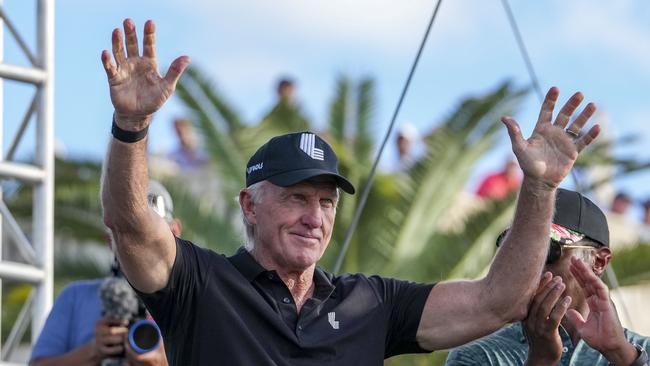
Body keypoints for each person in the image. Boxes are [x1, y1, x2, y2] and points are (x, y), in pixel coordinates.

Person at [100, 19, 600, 365]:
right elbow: (130, 225)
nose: (314, 216)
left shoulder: (370, 303)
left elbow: (497, 301)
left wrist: (539, 186)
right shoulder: (201, 283)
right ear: (249, 205)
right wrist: (131, 126)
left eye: (326, 201)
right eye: (296, 197)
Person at [445, 189, 650, 366]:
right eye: (518, 254)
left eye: (547, 251)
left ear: (599, 262)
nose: (529, 269)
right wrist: (541, 360)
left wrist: (623, 356)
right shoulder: (476, 355)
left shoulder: (642, 351)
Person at [29, 181, 180, 366]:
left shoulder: (194, 301)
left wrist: (163, 362)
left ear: (175, 231)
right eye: (128, 235)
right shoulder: (75, 297)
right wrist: (94, 351)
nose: (142, 247)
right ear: (110, 240)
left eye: (153, 235)